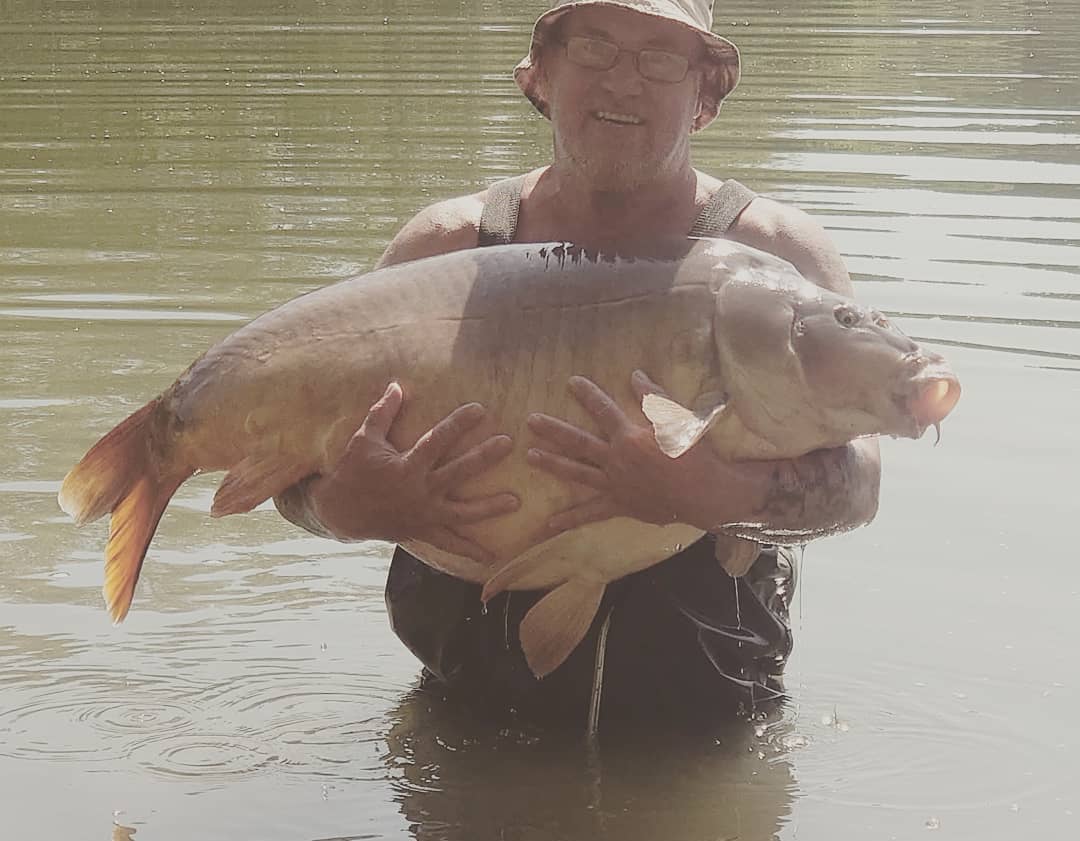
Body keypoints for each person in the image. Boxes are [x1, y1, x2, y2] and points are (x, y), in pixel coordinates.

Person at [275, 0, 880, 727]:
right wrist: (346, 511)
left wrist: (708, 492)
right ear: (541, 74)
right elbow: (292, 478)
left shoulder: (777, 259)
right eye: (595, 47)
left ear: (704, 96)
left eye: (660, 58)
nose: (623, 81)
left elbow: (860, 486)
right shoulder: (445, 248)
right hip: (461, 725)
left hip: (709, 732)